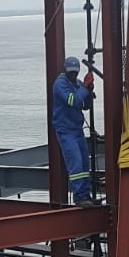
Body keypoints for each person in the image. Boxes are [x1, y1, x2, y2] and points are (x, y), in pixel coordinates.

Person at [51, 56, 95, 203]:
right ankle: (79, 196)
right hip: (66, 130)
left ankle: (85, 195)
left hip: (77, 129)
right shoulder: (60, 84)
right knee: (75, 163)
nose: (73, 74)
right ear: (65, 70)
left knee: (84, 163)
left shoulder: (77, 83)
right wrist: (84, 88)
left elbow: (85, 106)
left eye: (75, 72)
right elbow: (73, 100)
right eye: (71, 72)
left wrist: (89, 92)